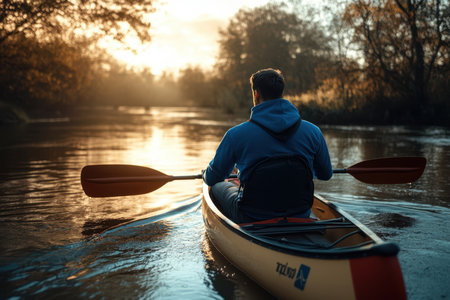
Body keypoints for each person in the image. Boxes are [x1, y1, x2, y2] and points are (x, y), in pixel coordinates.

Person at [203, 68, 332, 223]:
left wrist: (206, 173)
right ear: (281, 92)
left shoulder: (235, 134)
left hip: (251, 216)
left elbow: (212, 178)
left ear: (256, 94)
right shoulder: (314, 132)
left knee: (216, 185)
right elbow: (325, 174)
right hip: (300, 213)